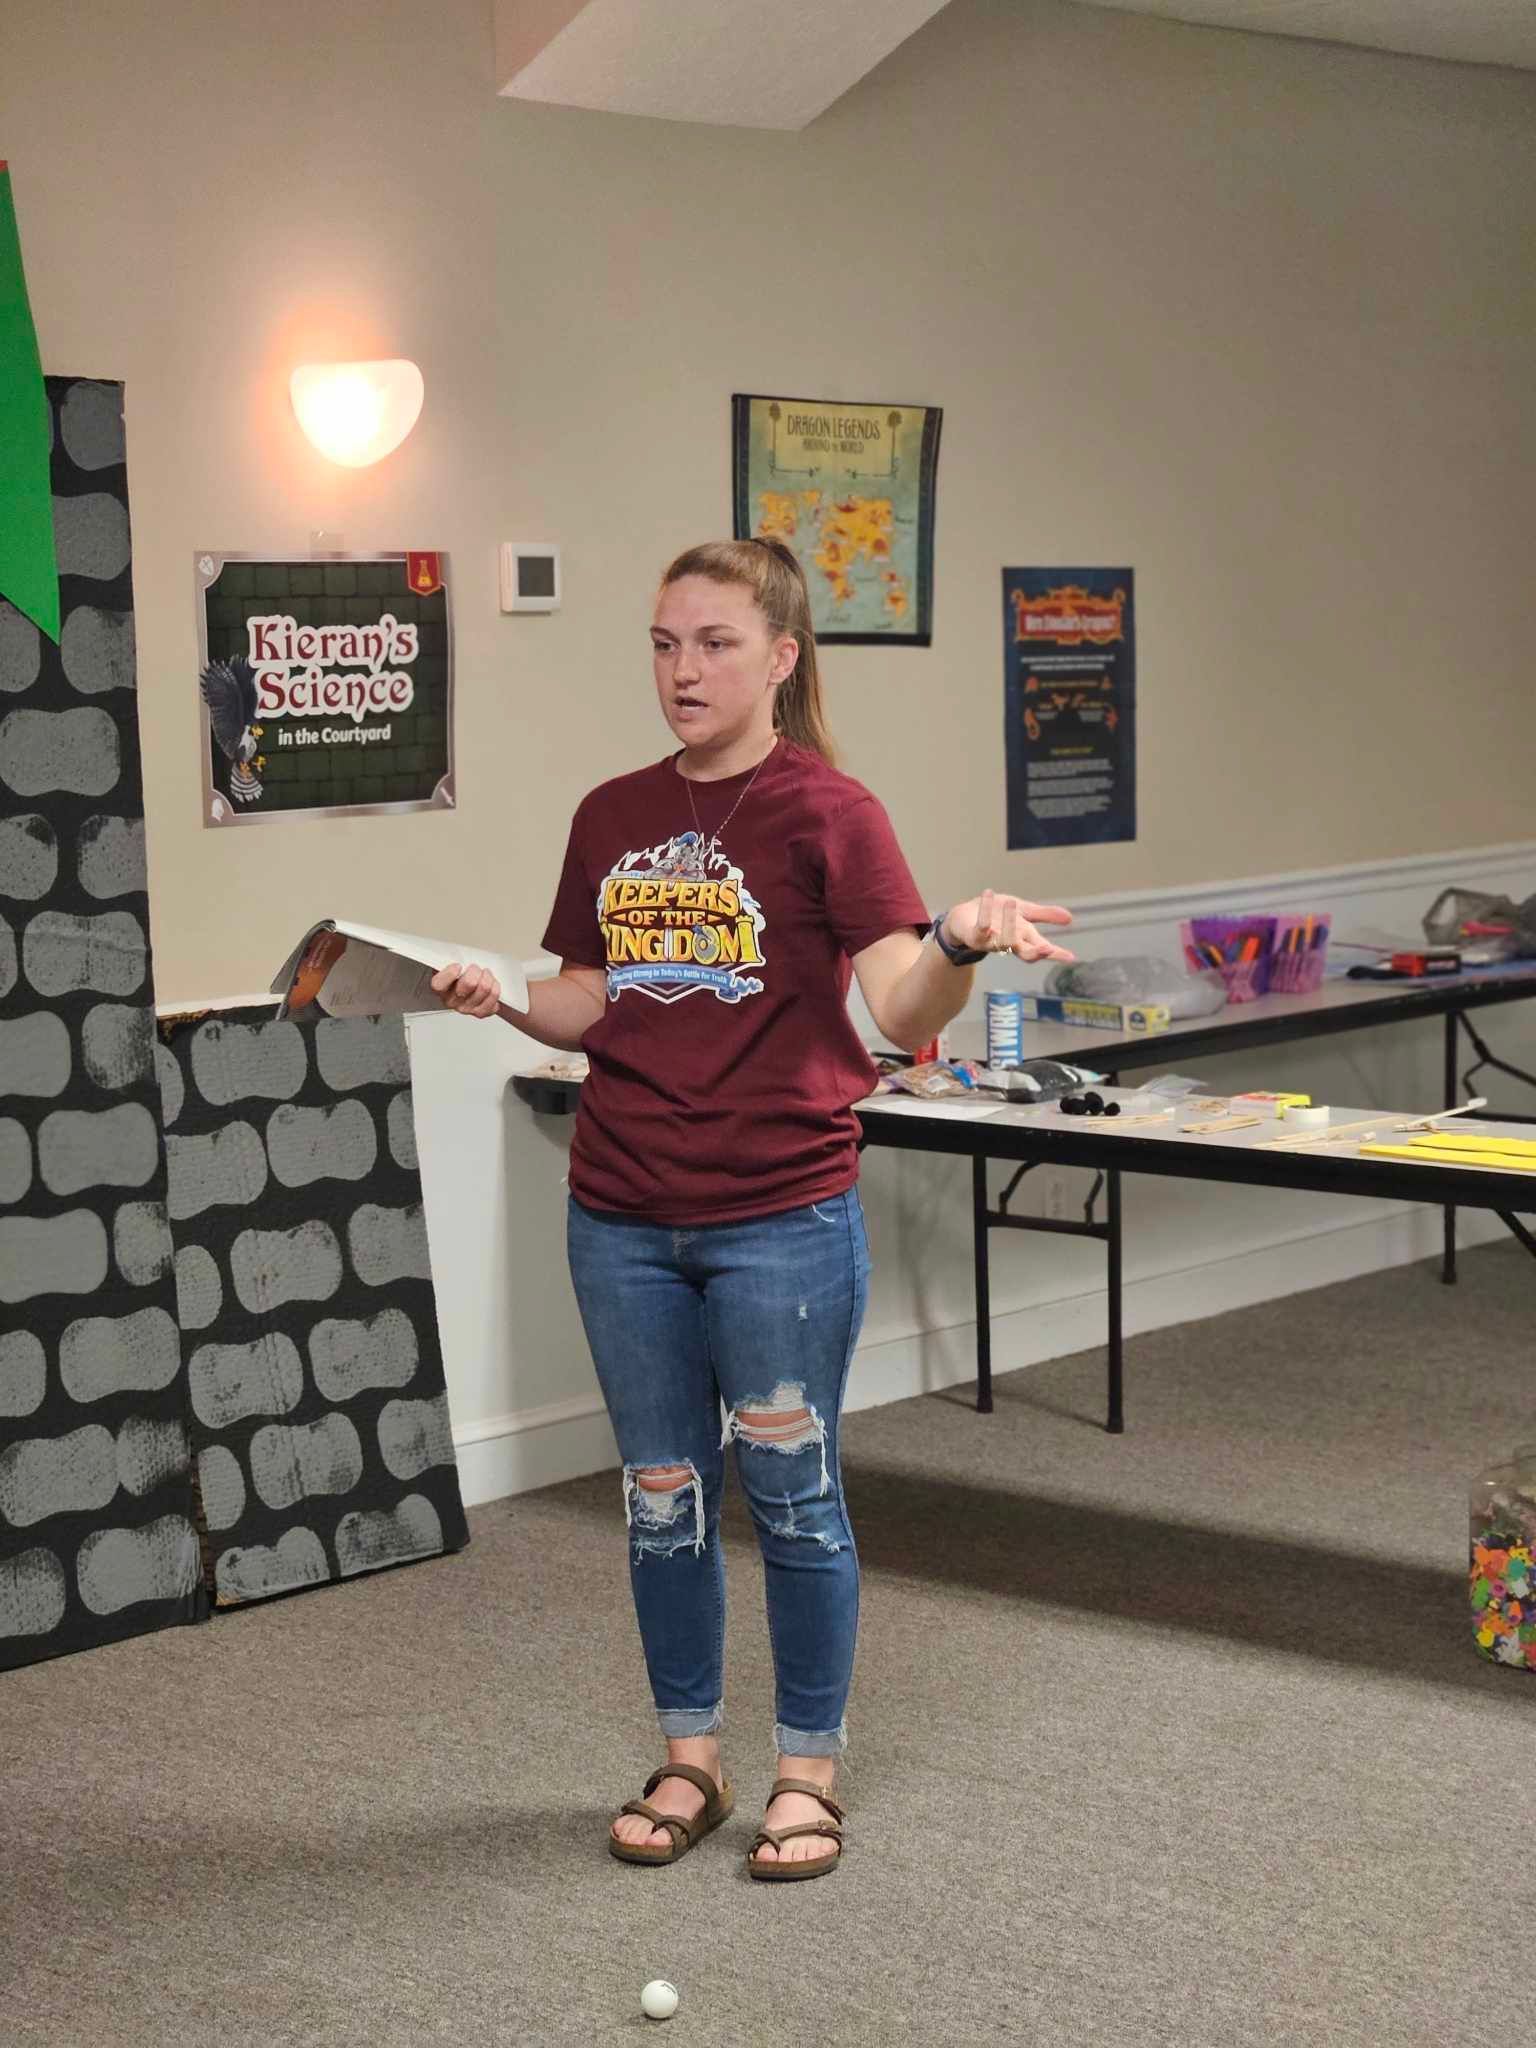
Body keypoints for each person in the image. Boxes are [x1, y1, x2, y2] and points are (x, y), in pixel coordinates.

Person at [431, 537, 1074, 1881]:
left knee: (791, 1494)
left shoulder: (830, 812)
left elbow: (898, 1006)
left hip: (780, 1216)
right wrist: (500, 994)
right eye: (665, 643)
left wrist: (957, 939)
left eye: (714, 643)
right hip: (620, 1215)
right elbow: (588, 997)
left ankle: (805, 1774)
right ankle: (692, 1760)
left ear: (781, 657)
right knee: (663, 1495)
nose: (682, 669)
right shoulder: (611, 812)